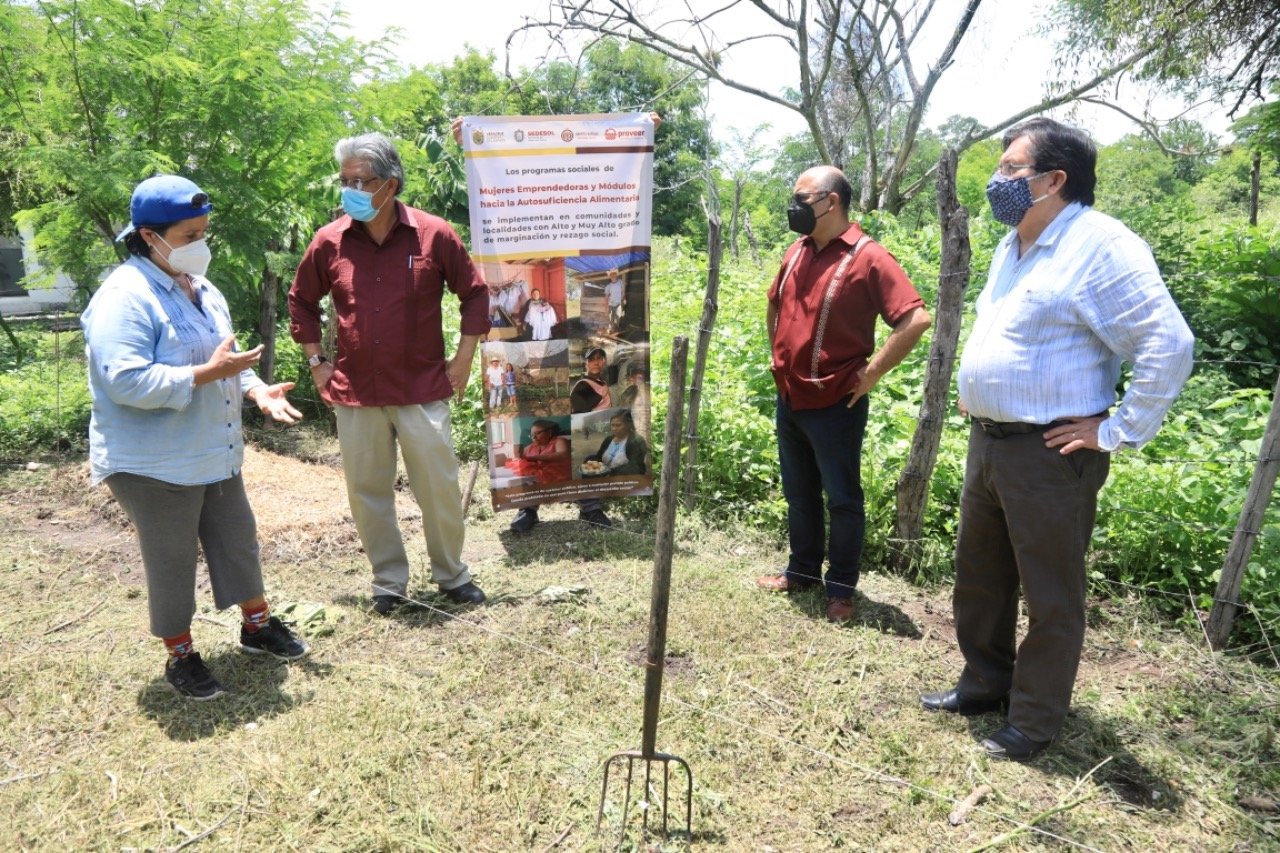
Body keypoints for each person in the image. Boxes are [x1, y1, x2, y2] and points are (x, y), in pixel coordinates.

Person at [919, 118, 1194, 761]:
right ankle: (986, 684)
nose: (999, 181)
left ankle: (1034, 721)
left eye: (1012, 170)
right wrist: (982, 392)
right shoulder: (1012, 244)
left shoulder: (1101, 246)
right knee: (979, 578)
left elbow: (1168, 343)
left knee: (1049, 594)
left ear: (1054, 180)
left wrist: (1117, 428)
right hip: (990, 441)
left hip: (1052, 452)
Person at [82, 175, 308, 701]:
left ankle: (257, 627)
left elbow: (224, 359)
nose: (200, 246)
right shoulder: (124, 297)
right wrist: (209, 374)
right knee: (171, 558)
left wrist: (255, 391)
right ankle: (180, 655)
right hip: (152, 462)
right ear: (149, 236)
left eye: (204, 233)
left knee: (237, 540)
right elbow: (125, 381)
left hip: (213, 447)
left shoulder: (202, 289)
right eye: (188, 236)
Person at [288, 132, 488, 616]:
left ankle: (451, 575)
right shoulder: (329, 240)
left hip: (421, 388)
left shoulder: (434, 234)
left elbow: (475, 295)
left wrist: (463, 359)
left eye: (362, 180)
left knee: (438, 487)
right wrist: (317, 363)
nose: (351, 189)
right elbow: (301, 301)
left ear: (391, 184)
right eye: (345, 180)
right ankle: (389, 582)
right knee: (368, 492)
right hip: (356, 392)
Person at [756, 166, 932, 623]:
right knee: (799, 492)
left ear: (830, 202)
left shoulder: (868, 257)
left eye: (801, 197)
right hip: (790, 396)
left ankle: (841, 590)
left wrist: (870, 375)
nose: (793, 206)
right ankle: (802, 572)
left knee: (842, 498)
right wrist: (777, 355)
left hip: (837, 402)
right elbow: (773, 300)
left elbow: (914, 319)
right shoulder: (796, 251)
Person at [511, 347, 614, 532]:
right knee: (534, 471)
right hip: (542, 425)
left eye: (600, 359)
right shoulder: (528, 382)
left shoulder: (595, 383)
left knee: (586, 465)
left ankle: (591, 509)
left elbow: (580, 410)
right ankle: (528, 510)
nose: (597, 363)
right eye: (593, 359)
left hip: (576, 429)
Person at [586, 410, 648, 475]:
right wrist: (591, 462)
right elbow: (599, 456)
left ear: (628, 425)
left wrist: (610, 473)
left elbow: (635, 466)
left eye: (618, 425)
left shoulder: (636, 441)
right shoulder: (608, 439)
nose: (614, 429)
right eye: (612, 425)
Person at [514, 419, 572, 483]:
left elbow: (563, 455)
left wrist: (535, 457)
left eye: (538, 433)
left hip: (559, 482)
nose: (534, 437)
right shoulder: (530, 447)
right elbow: (519, 458)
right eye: (532, 435)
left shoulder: (559, 441)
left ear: (549, 432)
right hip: (536, 482)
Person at [570, 347, 612, 413]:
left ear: (604, 362)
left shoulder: (601, 381)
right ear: (586, 364)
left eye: (599, 358)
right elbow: (578, 417)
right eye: (591, 359)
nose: (596, 363)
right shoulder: (583, 386)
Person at [604, 267, 626, 332]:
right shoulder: (608, 286)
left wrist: (624, 299)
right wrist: (606, 308)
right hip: (611, 304)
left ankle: (616, 330)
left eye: (614, 274)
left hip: (618, 304)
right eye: (611, 275)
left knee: (618, 317)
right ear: (610, 276)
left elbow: (623, 292)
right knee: (611, 319)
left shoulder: (620, 282)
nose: (613, 275)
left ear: (616, 275)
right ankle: (611, 330)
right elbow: (606, 297)